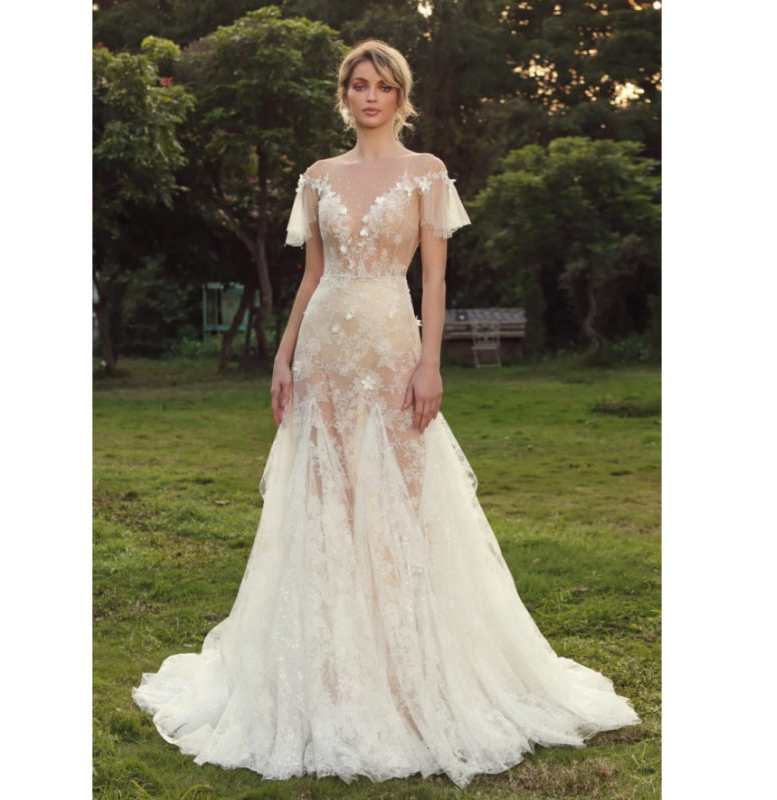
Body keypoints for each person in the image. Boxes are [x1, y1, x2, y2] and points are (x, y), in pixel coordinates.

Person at [132, 39, 640, 788]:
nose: (370, 96)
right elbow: (311, 276)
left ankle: (406, 670)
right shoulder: (317, 176)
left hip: (391, 349)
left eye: (383, 86)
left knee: (402, 502)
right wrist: (282, 357)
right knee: (326, 504)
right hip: (324, 357)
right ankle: (327, 669)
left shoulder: (427, 172)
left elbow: (433, 280)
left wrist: (430, 363)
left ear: (401, 97)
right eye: (358, 84)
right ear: (344, 95)